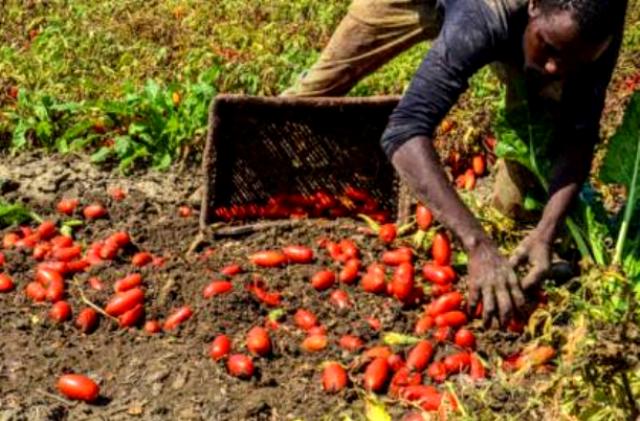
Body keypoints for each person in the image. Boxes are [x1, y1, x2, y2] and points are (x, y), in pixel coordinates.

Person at [285, 0, 628, 326]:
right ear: (533, 5)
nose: (556, 67)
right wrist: (476, 243)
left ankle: (525, 234)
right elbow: (404, 131)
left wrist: (546, 232)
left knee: (532, 154)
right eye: (549, 47)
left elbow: (579, 134)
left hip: (526, 25)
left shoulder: (596, 26)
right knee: (322, 85)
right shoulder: (489, 14)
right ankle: (273, 163)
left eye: (574, 60)